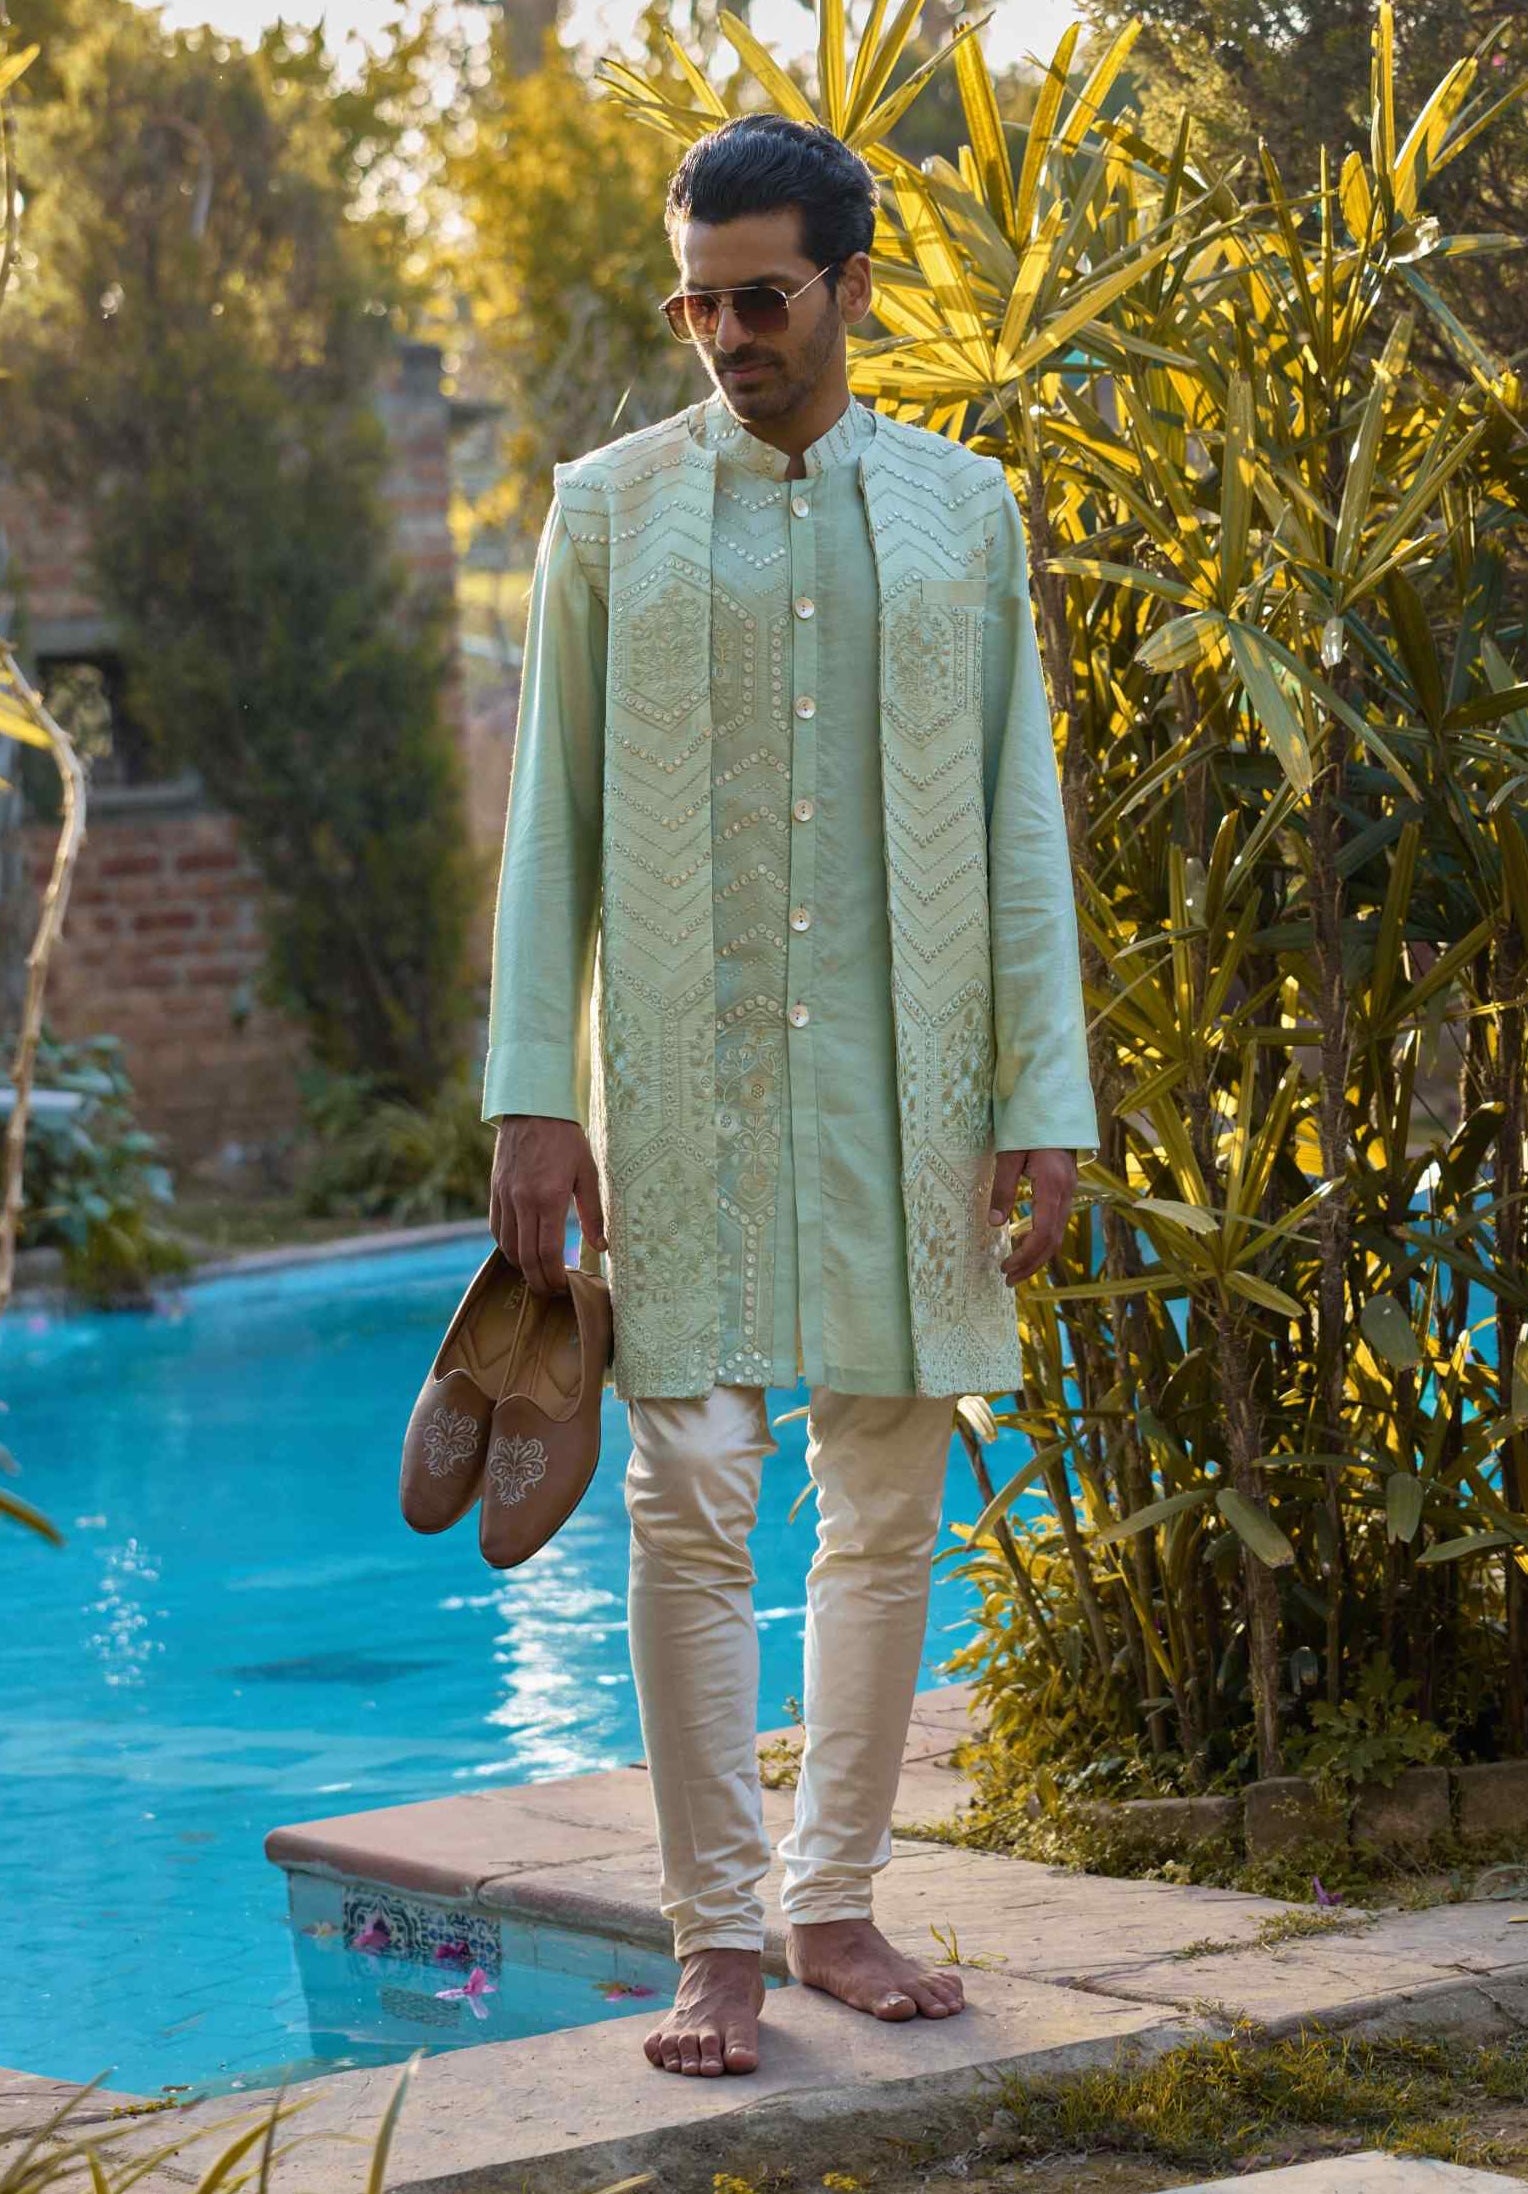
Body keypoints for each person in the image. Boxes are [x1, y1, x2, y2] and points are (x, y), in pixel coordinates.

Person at [482, 114, 1097, 2079]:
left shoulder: (962, 514)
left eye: (761, 298)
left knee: (886, 1498)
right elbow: (549, 824)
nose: (728, 335)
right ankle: (715, 1939)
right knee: (685, 1494)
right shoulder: (609, 513)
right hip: (685, 1081)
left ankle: (832, 1902)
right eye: (698, 304)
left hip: (910, 1081)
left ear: (849, 283)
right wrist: (531, 1095)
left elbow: (1016, 814)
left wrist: (1044, 1094)